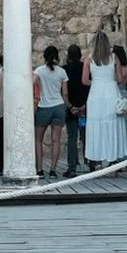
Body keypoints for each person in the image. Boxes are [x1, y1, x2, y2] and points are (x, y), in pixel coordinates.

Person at [82, 32, 127, 169]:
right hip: (111, 91)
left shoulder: (88, 59)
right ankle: (112, 159)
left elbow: (84, 80)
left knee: (96, 125)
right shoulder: (114, 57)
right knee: (112, 125)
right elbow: (120, 79)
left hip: (96, 93)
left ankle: (96, 160)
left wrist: (96, 81)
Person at [33, 45, 70, 176]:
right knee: (56, 140)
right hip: (58, 106)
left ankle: (39, 169)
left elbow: (31, 83)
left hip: (43, 107)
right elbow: (65, 93)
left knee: (38, 139)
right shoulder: (62, 72)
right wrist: (68, 106)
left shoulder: (39, 71)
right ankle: (53, 170)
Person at [63, 44, 89, 173]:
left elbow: (64, 92)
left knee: (72, 138)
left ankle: (71, 166)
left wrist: (71, 106)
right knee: (87, 137)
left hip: (71, 108)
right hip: (85, 107)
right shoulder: (85, 68)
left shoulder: (64, 70)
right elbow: (89, 87)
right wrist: (85, 105)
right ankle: (91, 163)